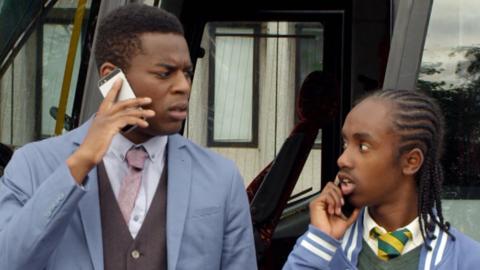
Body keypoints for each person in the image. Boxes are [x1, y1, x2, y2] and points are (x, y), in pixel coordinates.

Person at [0, 4, 256, 270]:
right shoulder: (32, 165)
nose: (183, 86)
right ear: (112, 78)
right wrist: (79, 164)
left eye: (187, 73)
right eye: (165, 73)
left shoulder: (221, 176)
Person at [283, 89, 480, 269]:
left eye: (363, 147)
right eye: (345, 143)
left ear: (411, 161)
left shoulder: (466, 260)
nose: (342, 159)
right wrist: (321, 241)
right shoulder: (320, 247)